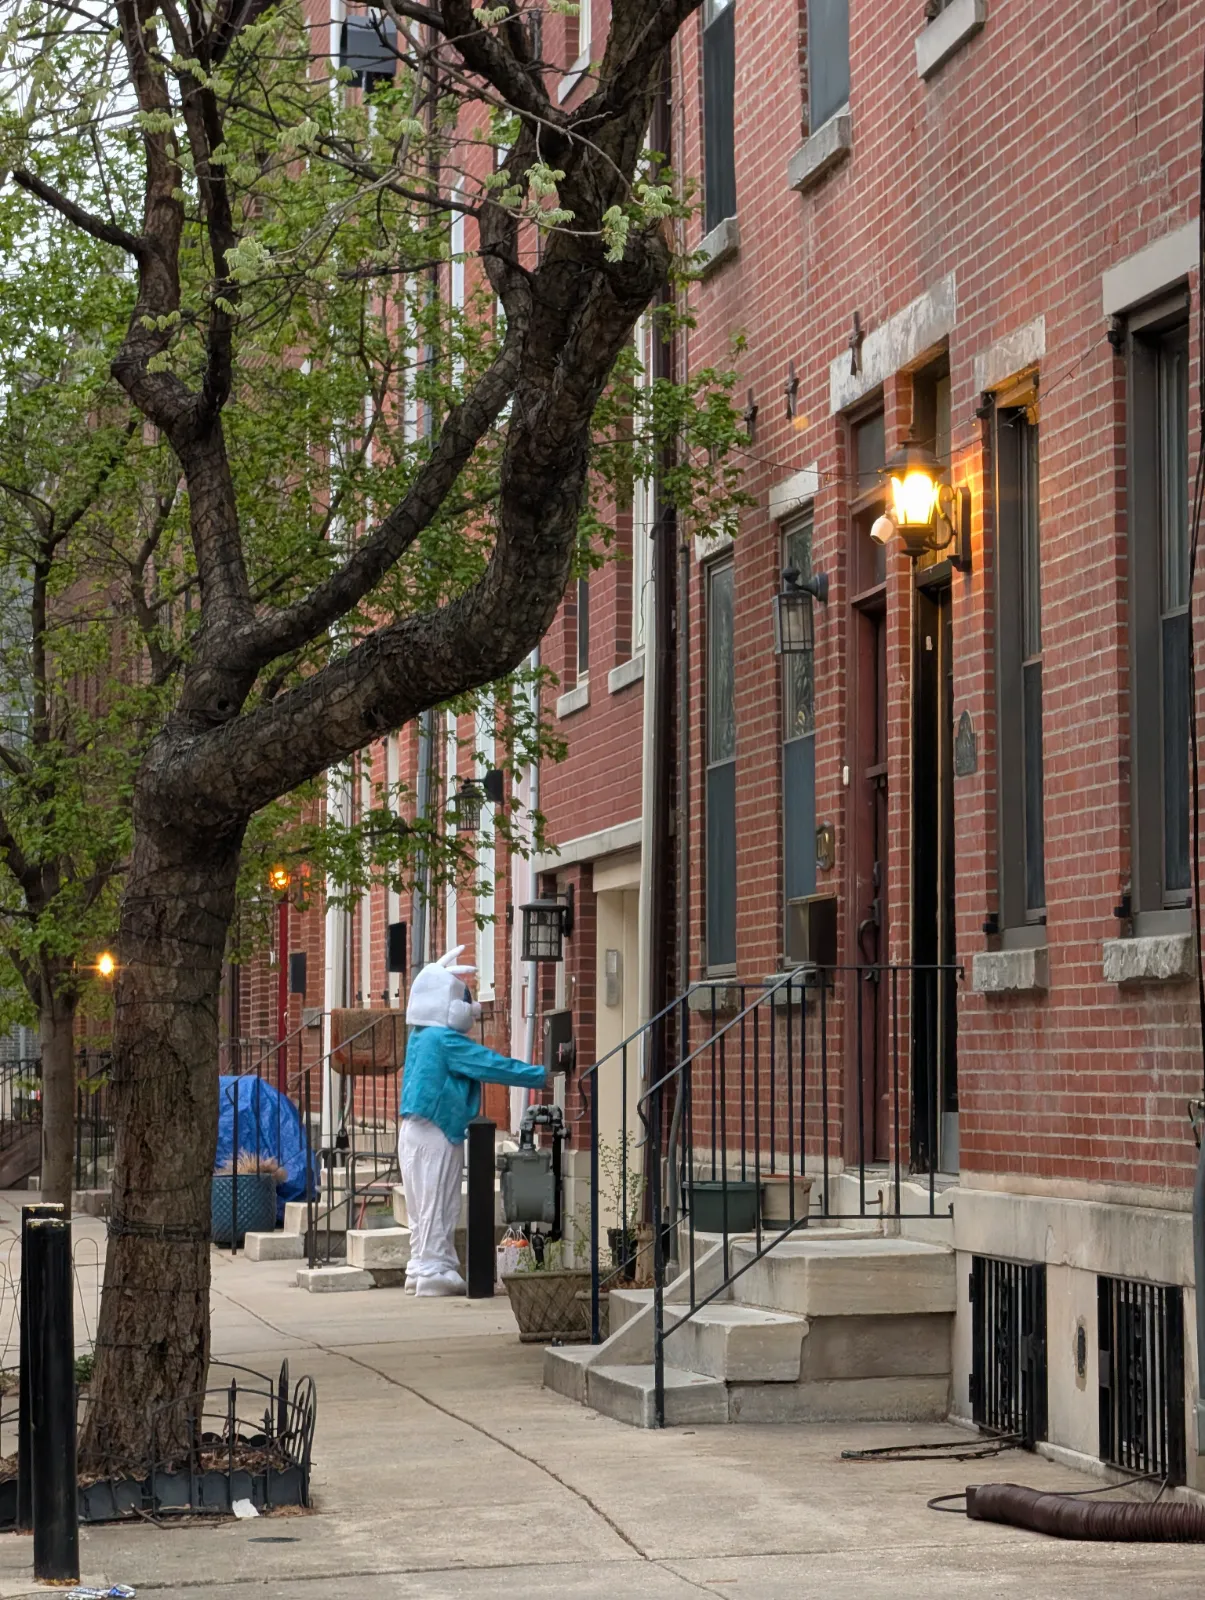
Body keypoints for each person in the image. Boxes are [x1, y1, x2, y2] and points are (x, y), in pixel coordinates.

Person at [400, 946, 547, 1297]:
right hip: (439, 1129)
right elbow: (489, 1064)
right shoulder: (445, 1040)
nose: (473, 1009)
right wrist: (539, 1074)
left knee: (420, 1205)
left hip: (411, 1129)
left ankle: (420, 1264)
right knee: (440, 1201)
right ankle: (435, 1270)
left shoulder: (419, 1037)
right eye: (466, 1001)